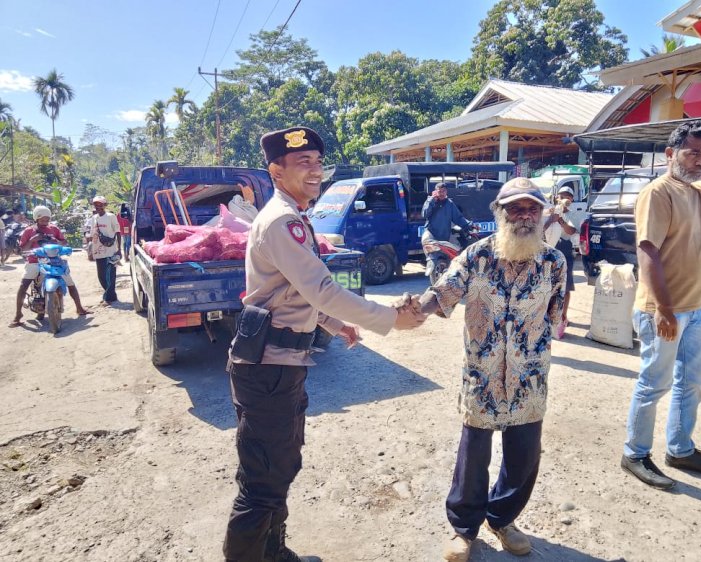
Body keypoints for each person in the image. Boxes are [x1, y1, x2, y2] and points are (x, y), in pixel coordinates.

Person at [223, 126, 426, 562]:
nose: (315, 170)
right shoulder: (281, 221)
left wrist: (335, 326)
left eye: (317, 162)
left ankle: (273, 553)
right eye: (302, 163)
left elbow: (295, 292)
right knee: (262, 481)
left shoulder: (293, 216)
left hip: (282, 362)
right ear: (276, 171)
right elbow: (322, 290)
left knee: (281, 467)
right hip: (268, 367)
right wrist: (390, 320)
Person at [407, 177, 566, 562]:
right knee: (473, 456)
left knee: (523, 455)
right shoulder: (477, 256)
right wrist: (413, 310)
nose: (525, 216)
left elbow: (555, 315)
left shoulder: (554, 262)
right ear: (500, 213)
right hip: (482, 373)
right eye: (516, 209)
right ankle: (464, 530)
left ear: (542, 214)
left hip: (529, 376)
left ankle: (504, 519)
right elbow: (442, 292)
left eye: (532, 209)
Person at [621, 121, 701, 490]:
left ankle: (680, 449)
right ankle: (634, 453)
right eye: (692, 152)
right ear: (669, 154)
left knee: (693, 383)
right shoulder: (659, 192)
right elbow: (647, 250)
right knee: (653, 384)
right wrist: (662, 308)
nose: (699, 159)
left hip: (699, 307)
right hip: (664, 310)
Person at [10, 205, 90, 327]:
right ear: (36, 218)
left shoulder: (53, 228)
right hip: (34, 261)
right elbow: (22, 249)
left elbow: (64, 242)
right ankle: (18, 315)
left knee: (70, 282)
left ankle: (79, 308)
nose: (45, 222)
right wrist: (33, 240)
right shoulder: (28, 231)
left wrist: (56, 241)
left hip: (54, 261)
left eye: (47, 220)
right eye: (42, 220)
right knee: (23, 285)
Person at [543, 186, 578, 339]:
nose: (564, 199)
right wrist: (551, 219)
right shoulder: (549, 211)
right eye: (562, 196)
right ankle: (547, 314)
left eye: (568, 197)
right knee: (547, 284)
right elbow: (540, 229)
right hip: (549, 250)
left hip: (565, 250)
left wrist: (560, 220)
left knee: (566, 285)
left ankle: (563, 316)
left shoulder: (574, 214)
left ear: (572, 199)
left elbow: (571, 231)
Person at [87, 196, 121, 305]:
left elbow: (118, 232)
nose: (98, 207)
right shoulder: (94, 218)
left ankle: (108, 297)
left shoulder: (111, 217)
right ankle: (111, 295)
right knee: (101, 276)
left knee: (110, 275)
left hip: (110, 250)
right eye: (96, 205)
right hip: (98, 251)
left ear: (105, 205)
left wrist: (119, 249)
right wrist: (91, 250)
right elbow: (93, 235)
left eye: (100, 204)